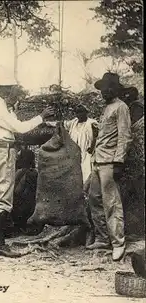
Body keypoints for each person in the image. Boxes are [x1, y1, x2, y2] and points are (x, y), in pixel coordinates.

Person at [0, 83, 54, 258]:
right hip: (2, 151)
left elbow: (8, 124)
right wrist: (41, 117)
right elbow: (19, 128)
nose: (9, 90)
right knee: (3, 199)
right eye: (7, 87)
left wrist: (12, 110)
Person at [87, 73, 132, 261]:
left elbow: (125, 136)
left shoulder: (121, 107)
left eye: (107, 88)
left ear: (115, 89)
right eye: (102, 89)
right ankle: (102, 238)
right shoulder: (106, 108)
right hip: (98, 160)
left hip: (109, 162)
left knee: (112, 203)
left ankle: (118, 243)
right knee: (94, 199)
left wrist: (119, 162)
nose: (104, 92)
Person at [47, 104, 98, 184]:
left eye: (81, 112)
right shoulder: (73, 123)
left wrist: (91, 148)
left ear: (86, 113)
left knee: (86, 170)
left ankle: (85, 189)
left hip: (86, 150)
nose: (79, 115)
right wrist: (48, 123)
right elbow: (62, 123)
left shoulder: (92, 123)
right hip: (74, 151)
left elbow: (95, 137)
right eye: (77, 113)